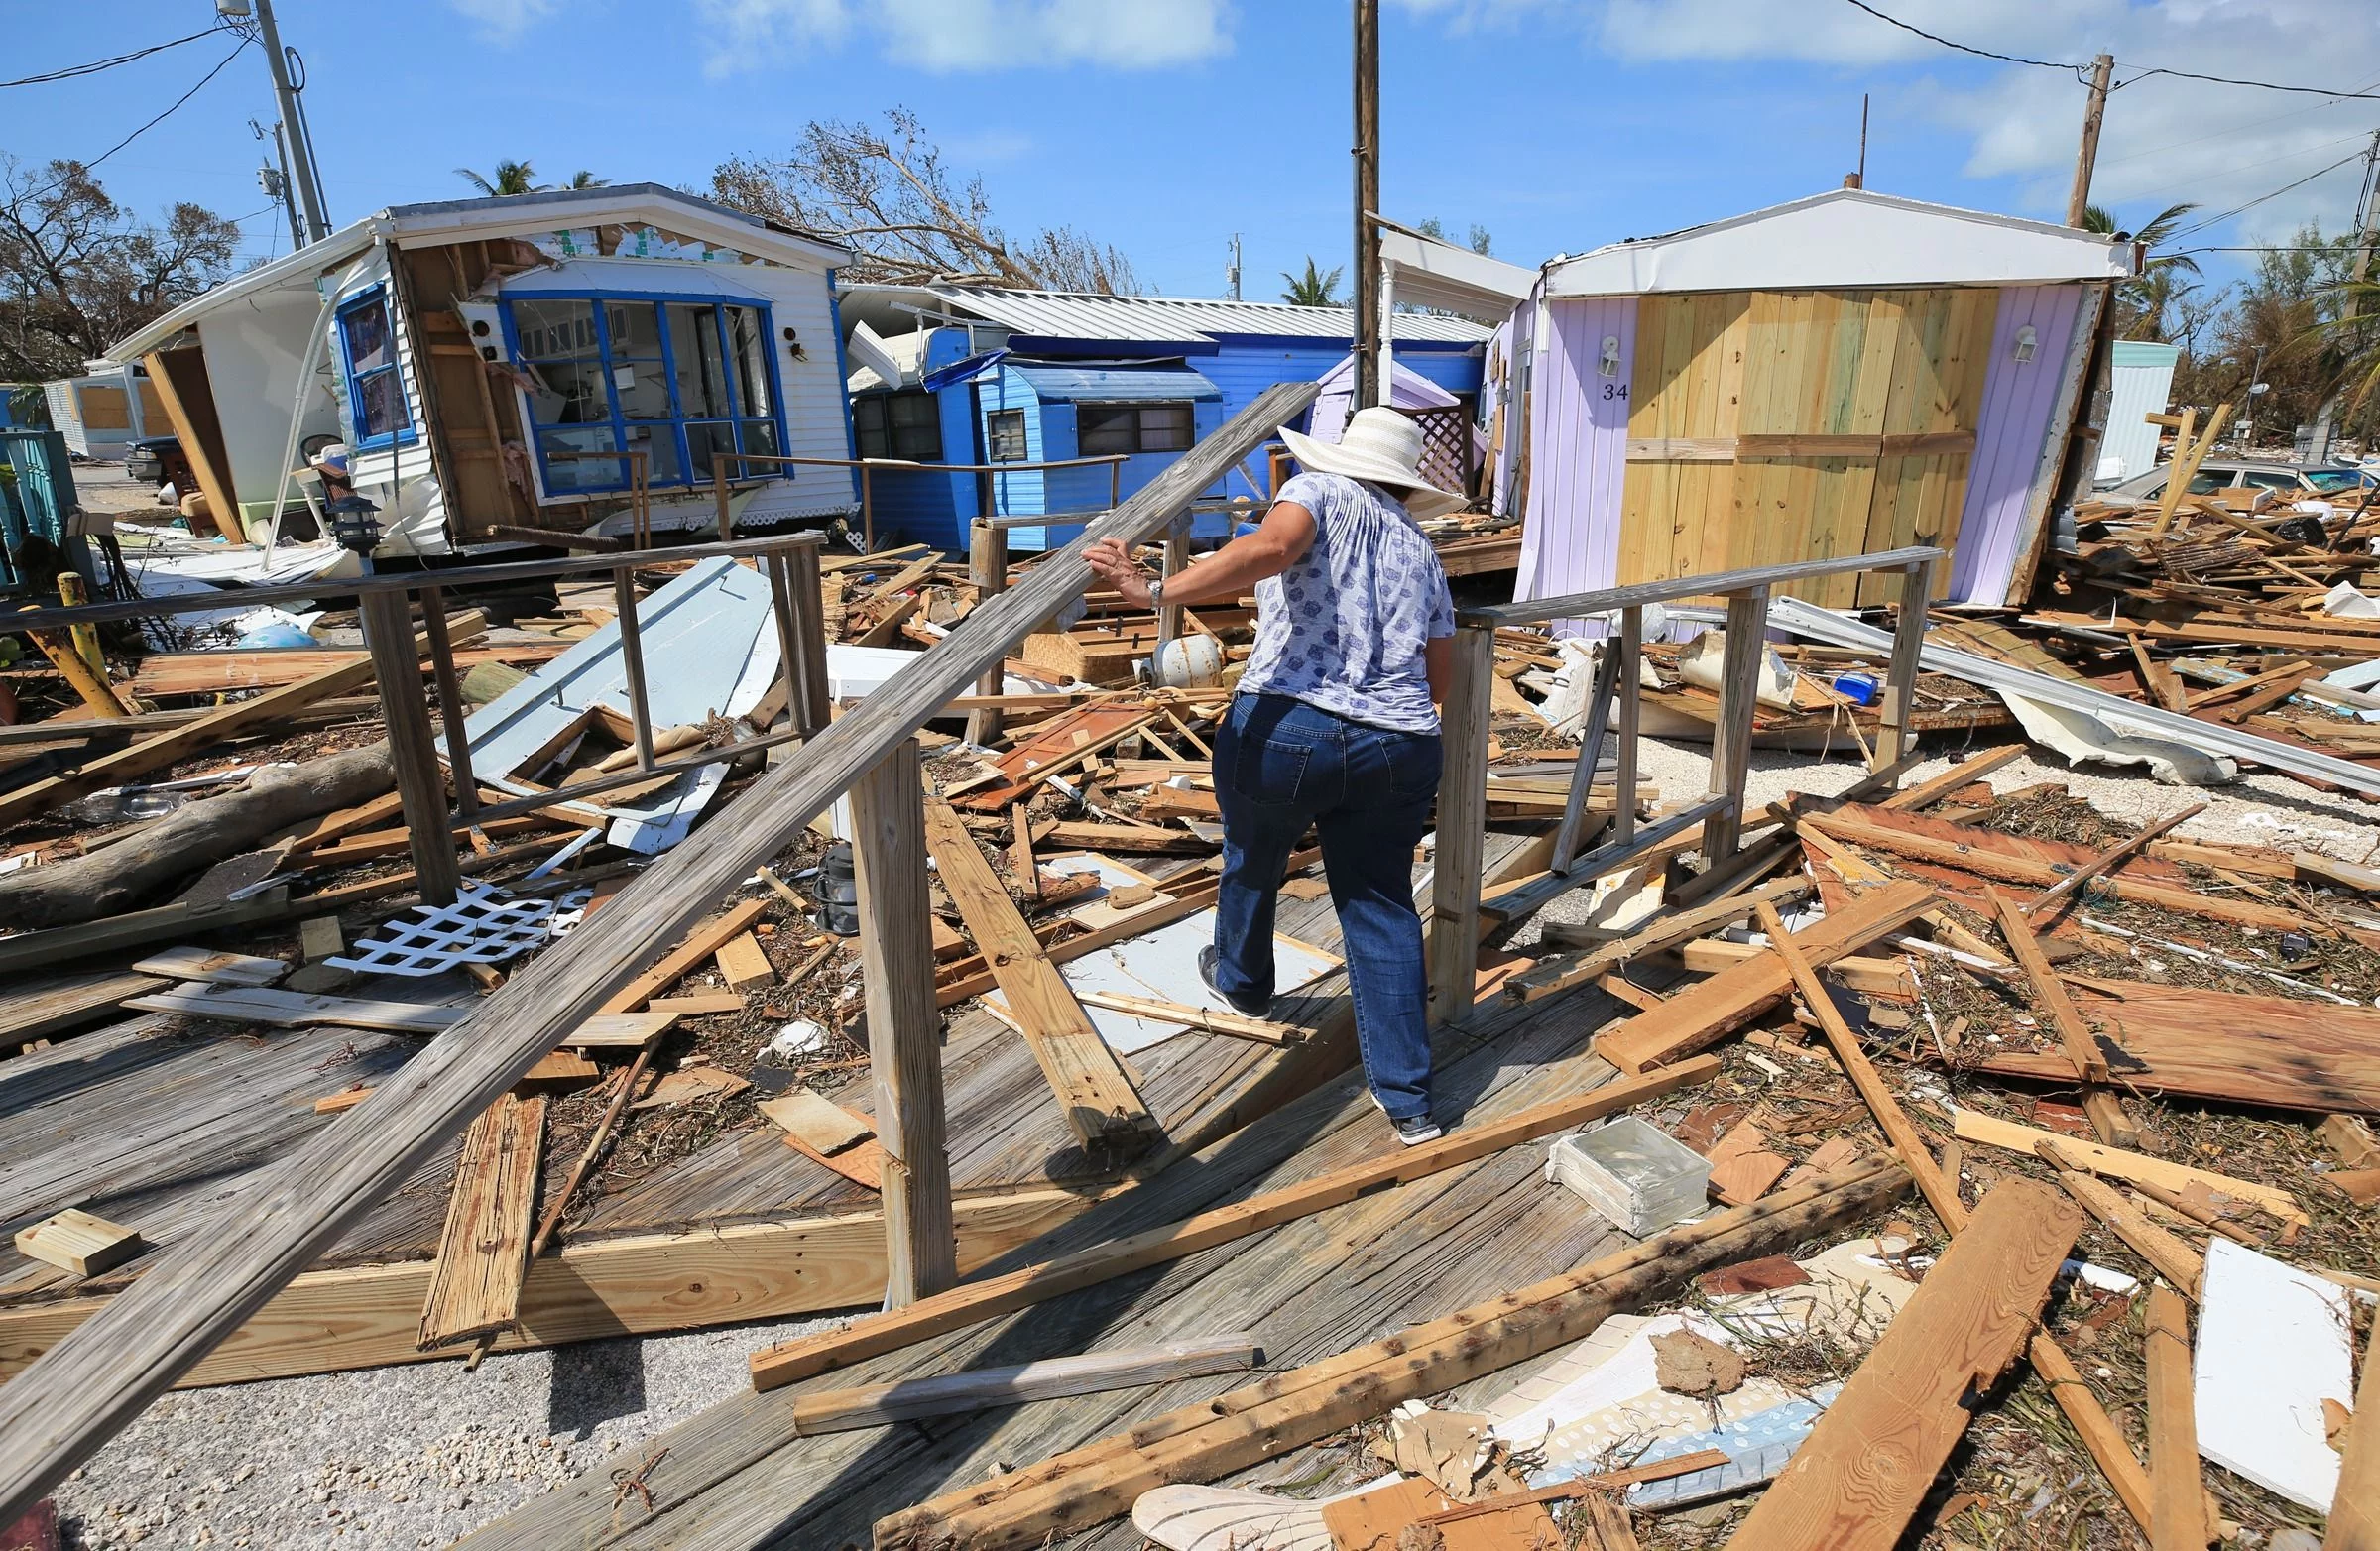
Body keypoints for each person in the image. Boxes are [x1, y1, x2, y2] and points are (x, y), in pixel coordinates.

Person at [1086, 407, 1466, 1145]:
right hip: (1402, 742)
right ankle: (1411, 1103)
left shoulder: (1318, 490)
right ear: (1405, 483)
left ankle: (1243, 982)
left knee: (1253, 858)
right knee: (1380, 905)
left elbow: (1271, 546)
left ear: (1339, 457)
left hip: (1292, 725)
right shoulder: (1420, 547)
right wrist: (1380, 718)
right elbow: (1438, 673)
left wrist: (1155, 590)